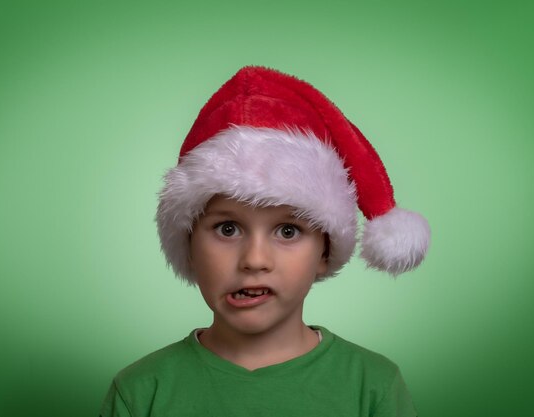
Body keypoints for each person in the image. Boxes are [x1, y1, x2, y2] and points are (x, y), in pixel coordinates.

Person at [99, 66, 431, 417]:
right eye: (227, 229)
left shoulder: (373, 386)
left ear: (325, 251)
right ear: (189, 246)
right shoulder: (140, 392)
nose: (255, 260)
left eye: (288, 231)